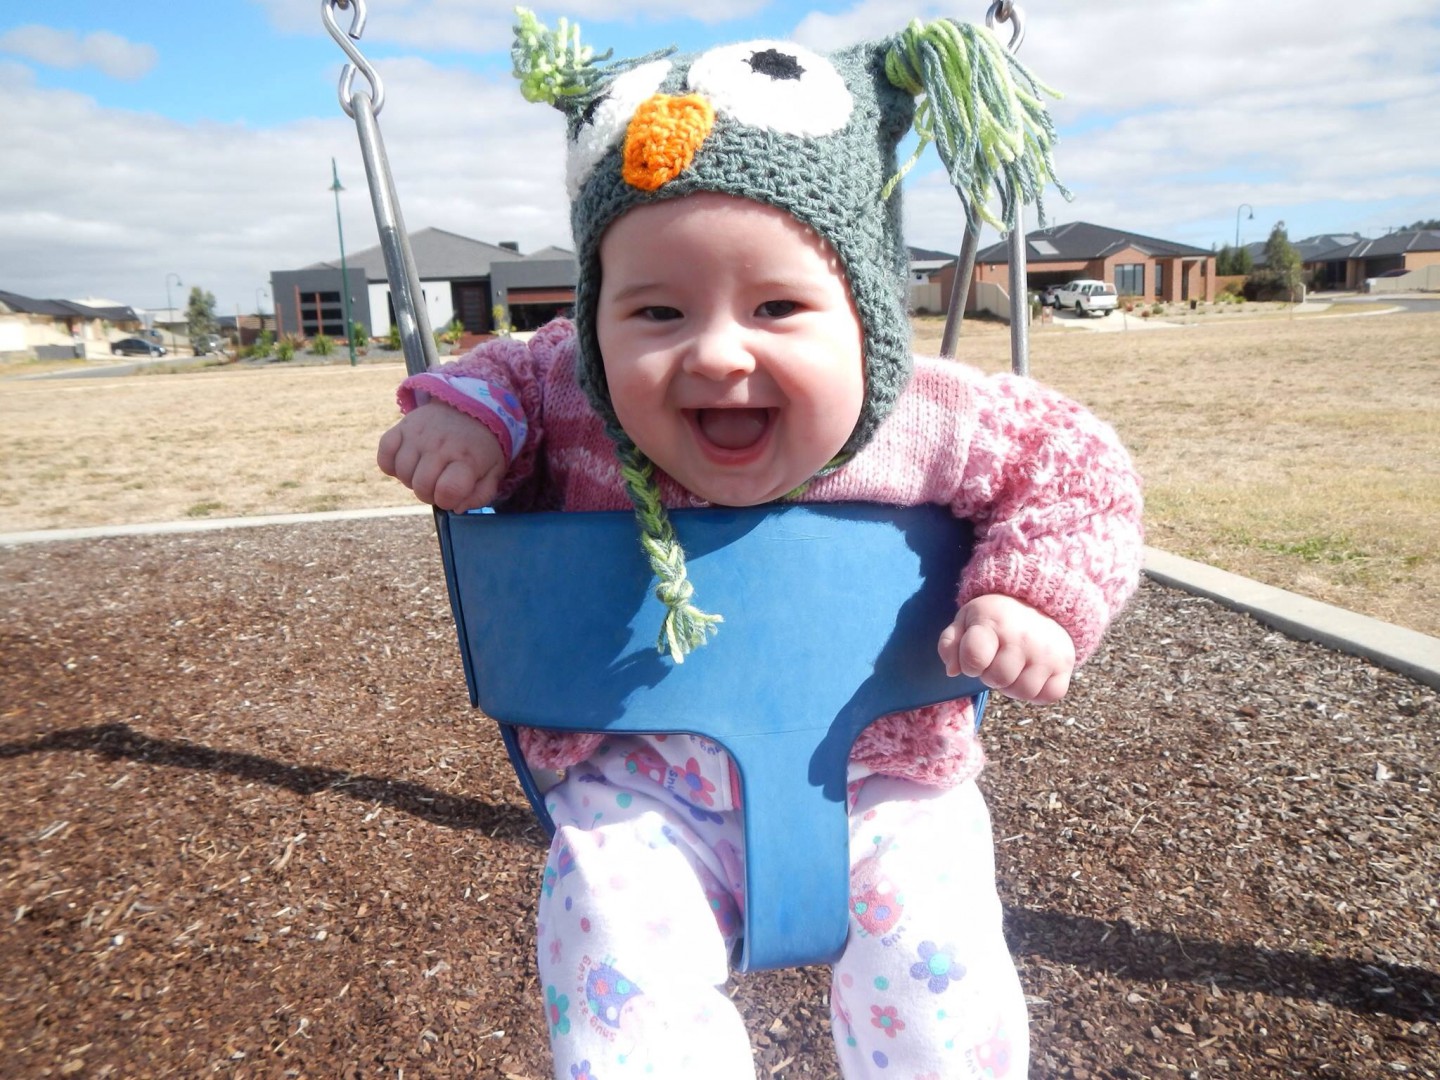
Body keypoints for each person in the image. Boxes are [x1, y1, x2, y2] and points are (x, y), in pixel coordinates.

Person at [378, 10, 1144, 1077]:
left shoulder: (928, 413)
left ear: (866, 318)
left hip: (885, 785)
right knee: (611, 940)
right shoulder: (565, 391)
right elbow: (501, 367)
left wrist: (1032, 597)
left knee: (940, 970)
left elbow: (1076, 466)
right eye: (656, 313)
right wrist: (467, 424)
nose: (717, 354)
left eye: (778, 305)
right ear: (595, 327)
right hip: (642, 793)